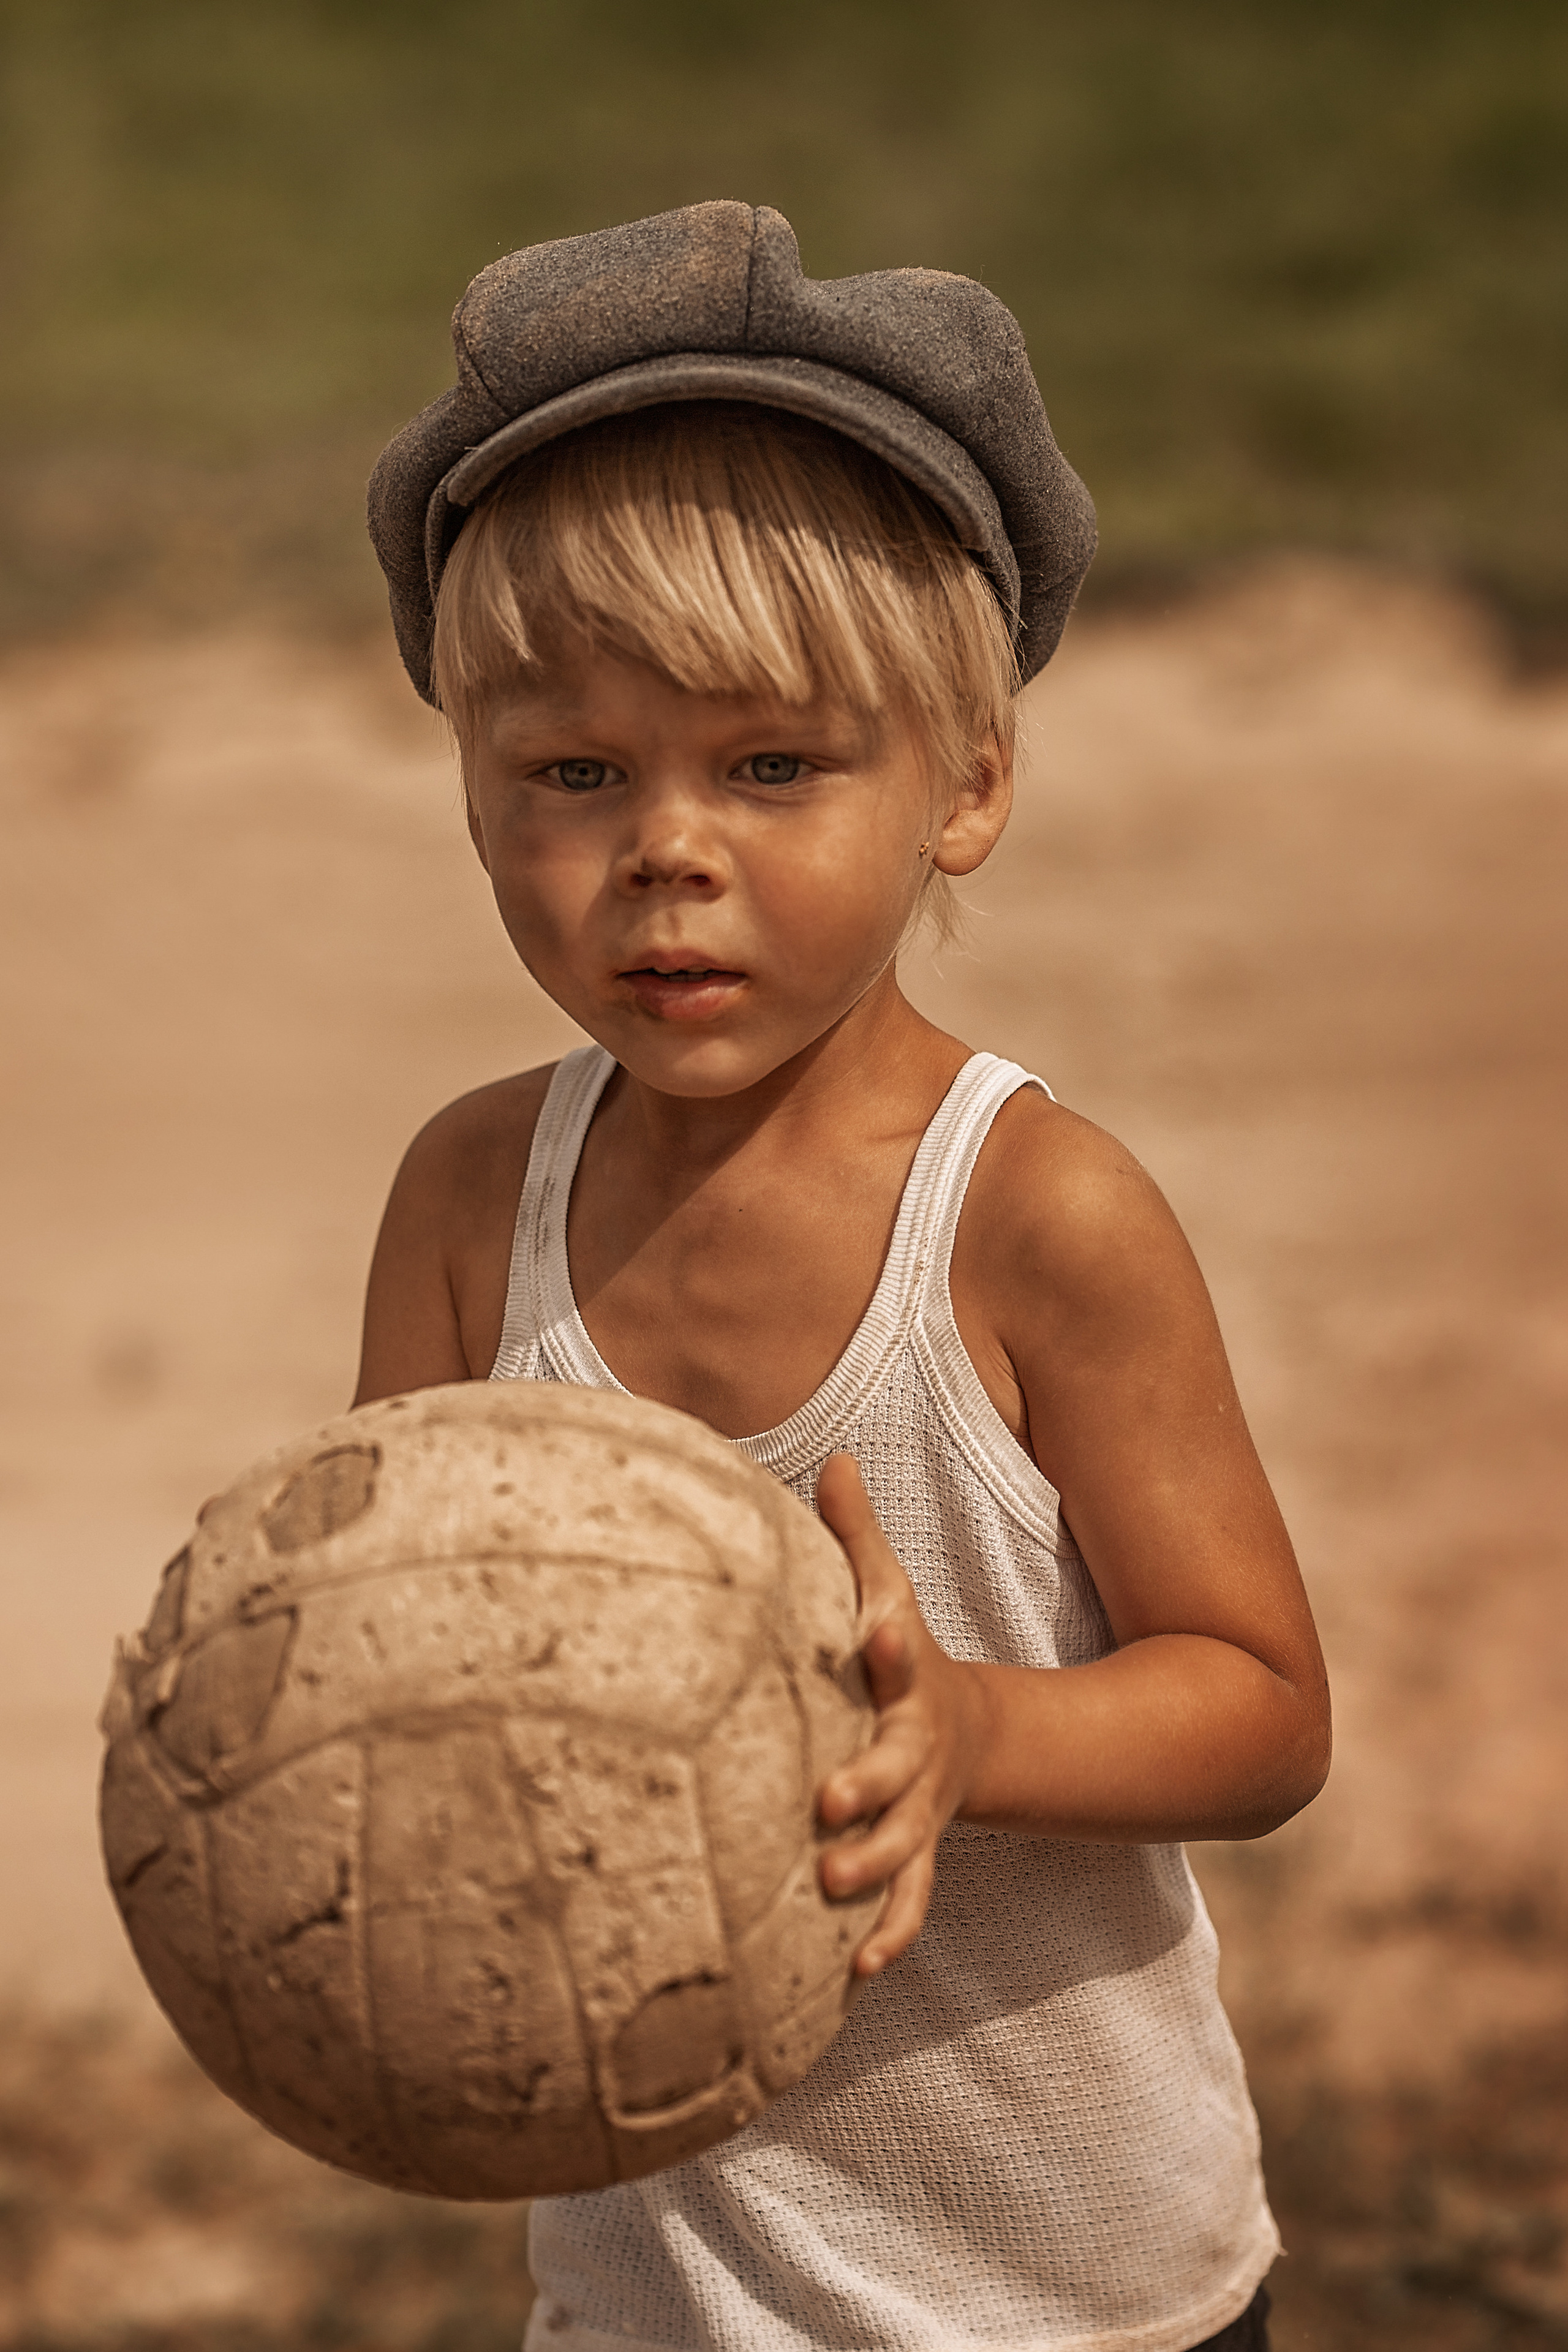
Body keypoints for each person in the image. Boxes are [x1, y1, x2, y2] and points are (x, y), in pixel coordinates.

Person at [357, 202, 1330, 2352]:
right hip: (649, 2295)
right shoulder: (464, 1205)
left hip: (1070, 2290)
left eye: (772, 765)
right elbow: (404, 1679)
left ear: (968, 782)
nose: (667, 848)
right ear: (473, 791)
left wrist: (973, 1730)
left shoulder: (1032, 1215)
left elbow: (1263, 1707)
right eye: (575, 774)